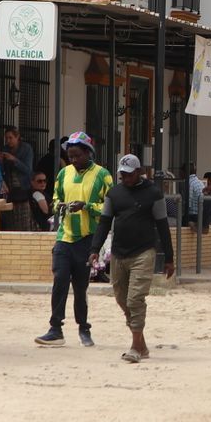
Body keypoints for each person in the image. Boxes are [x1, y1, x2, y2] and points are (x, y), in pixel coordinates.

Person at [86, 155, 174, 363]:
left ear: (139, 172)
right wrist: (95, 248)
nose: (124, 178)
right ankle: (141, 344)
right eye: (122, 174)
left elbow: (162, 226)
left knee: (135, 299)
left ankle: (135, 346)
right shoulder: (114, 193)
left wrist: (169, 258)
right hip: (118, 253)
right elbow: (104, 222)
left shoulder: (153, 193)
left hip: (143, 252)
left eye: (129, 174)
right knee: (121, 299)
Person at [35, 132, 110, 348]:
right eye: (70, 156)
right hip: (64, 236)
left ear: (88, 153)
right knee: (59, 281)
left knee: (80, 286)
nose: (73, 160)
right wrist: (58, 205)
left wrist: (86, 206)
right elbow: (56, 197)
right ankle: (55, 328)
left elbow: (110, 206)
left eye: (77, 155)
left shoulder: (102, 175)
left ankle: (83, 327)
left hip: (87, 239)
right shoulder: (63, 174)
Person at [0, 126, 39, 230]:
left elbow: (28, 170)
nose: (8, 141)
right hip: (10, 190)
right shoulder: (5, 148)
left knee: (23, 220)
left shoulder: (26, 149)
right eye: (6, 138)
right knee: (10, 220)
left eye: (10, 138)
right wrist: (0, 161)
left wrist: (14, 160)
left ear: (17, 137)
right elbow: (2, 171)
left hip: (23, 188)